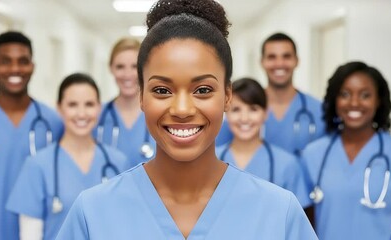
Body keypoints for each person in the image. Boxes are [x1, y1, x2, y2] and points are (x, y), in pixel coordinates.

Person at [57, 1, 317, 239]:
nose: (182, 109)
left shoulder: (280, 214)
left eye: (203, 90)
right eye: (162, 90)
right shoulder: (92, 213)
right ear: (141, 96)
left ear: (227, 96)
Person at [6, 73, 128, 240]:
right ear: (59, 108)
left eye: (89, 104)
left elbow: (125, 226)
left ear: (99, 107)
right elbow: (30, 236)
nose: (81, 113)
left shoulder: (118, 162)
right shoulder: (37, 165)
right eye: (72, 105)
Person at [0, 31, 63, 240]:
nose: (15, 69)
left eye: (23, 61)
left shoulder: (53, 123)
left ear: (32, 66)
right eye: (5, 61)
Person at [302, 61, 391, 239]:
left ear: (378, 100)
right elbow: (305, 223)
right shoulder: (313, 154)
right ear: (334, 99)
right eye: (345, 94)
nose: (354, 103)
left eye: (365, 95)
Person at [216, 77, 310, 207]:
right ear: (226, 112)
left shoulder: (286, 165)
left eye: (253, 109)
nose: (244, 118)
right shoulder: (209, 160)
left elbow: (297, 220)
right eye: (236, 109)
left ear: (266, 113)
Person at [261, 33, 325, 155]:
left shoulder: (319, 111)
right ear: (262, 62)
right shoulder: (242, 109)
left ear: (296, 61)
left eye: (286, 56)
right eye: (272, 57)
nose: (279, 63)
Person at [96, 37, 155, 169]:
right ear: (111, 68)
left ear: (144, 69)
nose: (127, 74)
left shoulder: (158, 114)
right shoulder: (95, 117)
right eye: (120, 67)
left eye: (134, 66)